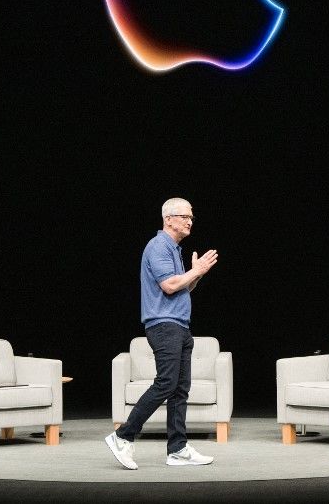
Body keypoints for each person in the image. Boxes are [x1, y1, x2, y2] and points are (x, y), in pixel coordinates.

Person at [105, 198, 219, 469]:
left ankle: (177, 449)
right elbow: (169, 286)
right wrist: (196, 270)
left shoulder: (175, 250)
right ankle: (122, 436)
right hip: (164, 325)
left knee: (180, 389)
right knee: (166, 384)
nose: (190, 221)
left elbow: (181, 288)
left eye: (192, 217)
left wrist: (196, 275)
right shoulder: (158, 246)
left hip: (180, 325)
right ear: (168, 219)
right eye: (184, 216)